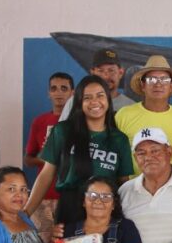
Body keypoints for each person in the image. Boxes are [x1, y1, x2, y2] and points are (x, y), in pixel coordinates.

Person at [24, 75, 133, 232]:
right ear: (79, 103)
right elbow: (46, 175)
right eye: (87, 97)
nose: (95, 102)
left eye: (100, 96)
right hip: (70, 210)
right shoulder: (63, 131)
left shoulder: (119, 139)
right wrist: (26, 213)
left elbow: (123, 184)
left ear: (108, 100)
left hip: (104, 211)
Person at [115, 55, 172, 174]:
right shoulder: (124, 115)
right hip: (132, 189)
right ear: (143, 85)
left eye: (164, 80)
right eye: (151, 79)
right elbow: (114, 157)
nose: (158, 84)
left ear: (171, 86)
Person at [24, 72, 74, 243]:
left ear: (72, 93)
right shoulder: (40, 121)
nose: (59, 92)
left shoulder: (78, 122)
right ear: (48, 93)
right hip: (43, 196)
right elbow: (28, 159)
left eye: (64, 88)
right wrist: (49, 158)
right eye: (54, 88)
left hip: (70, 197)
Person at [58, 48, 136, 121]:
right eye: (100, 70)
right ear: (92, 72)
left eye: (111, 70)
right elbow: (61, 133)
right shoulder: (75, 101)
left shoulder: (130, 106)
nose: (106, 76)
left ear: (121, 73)